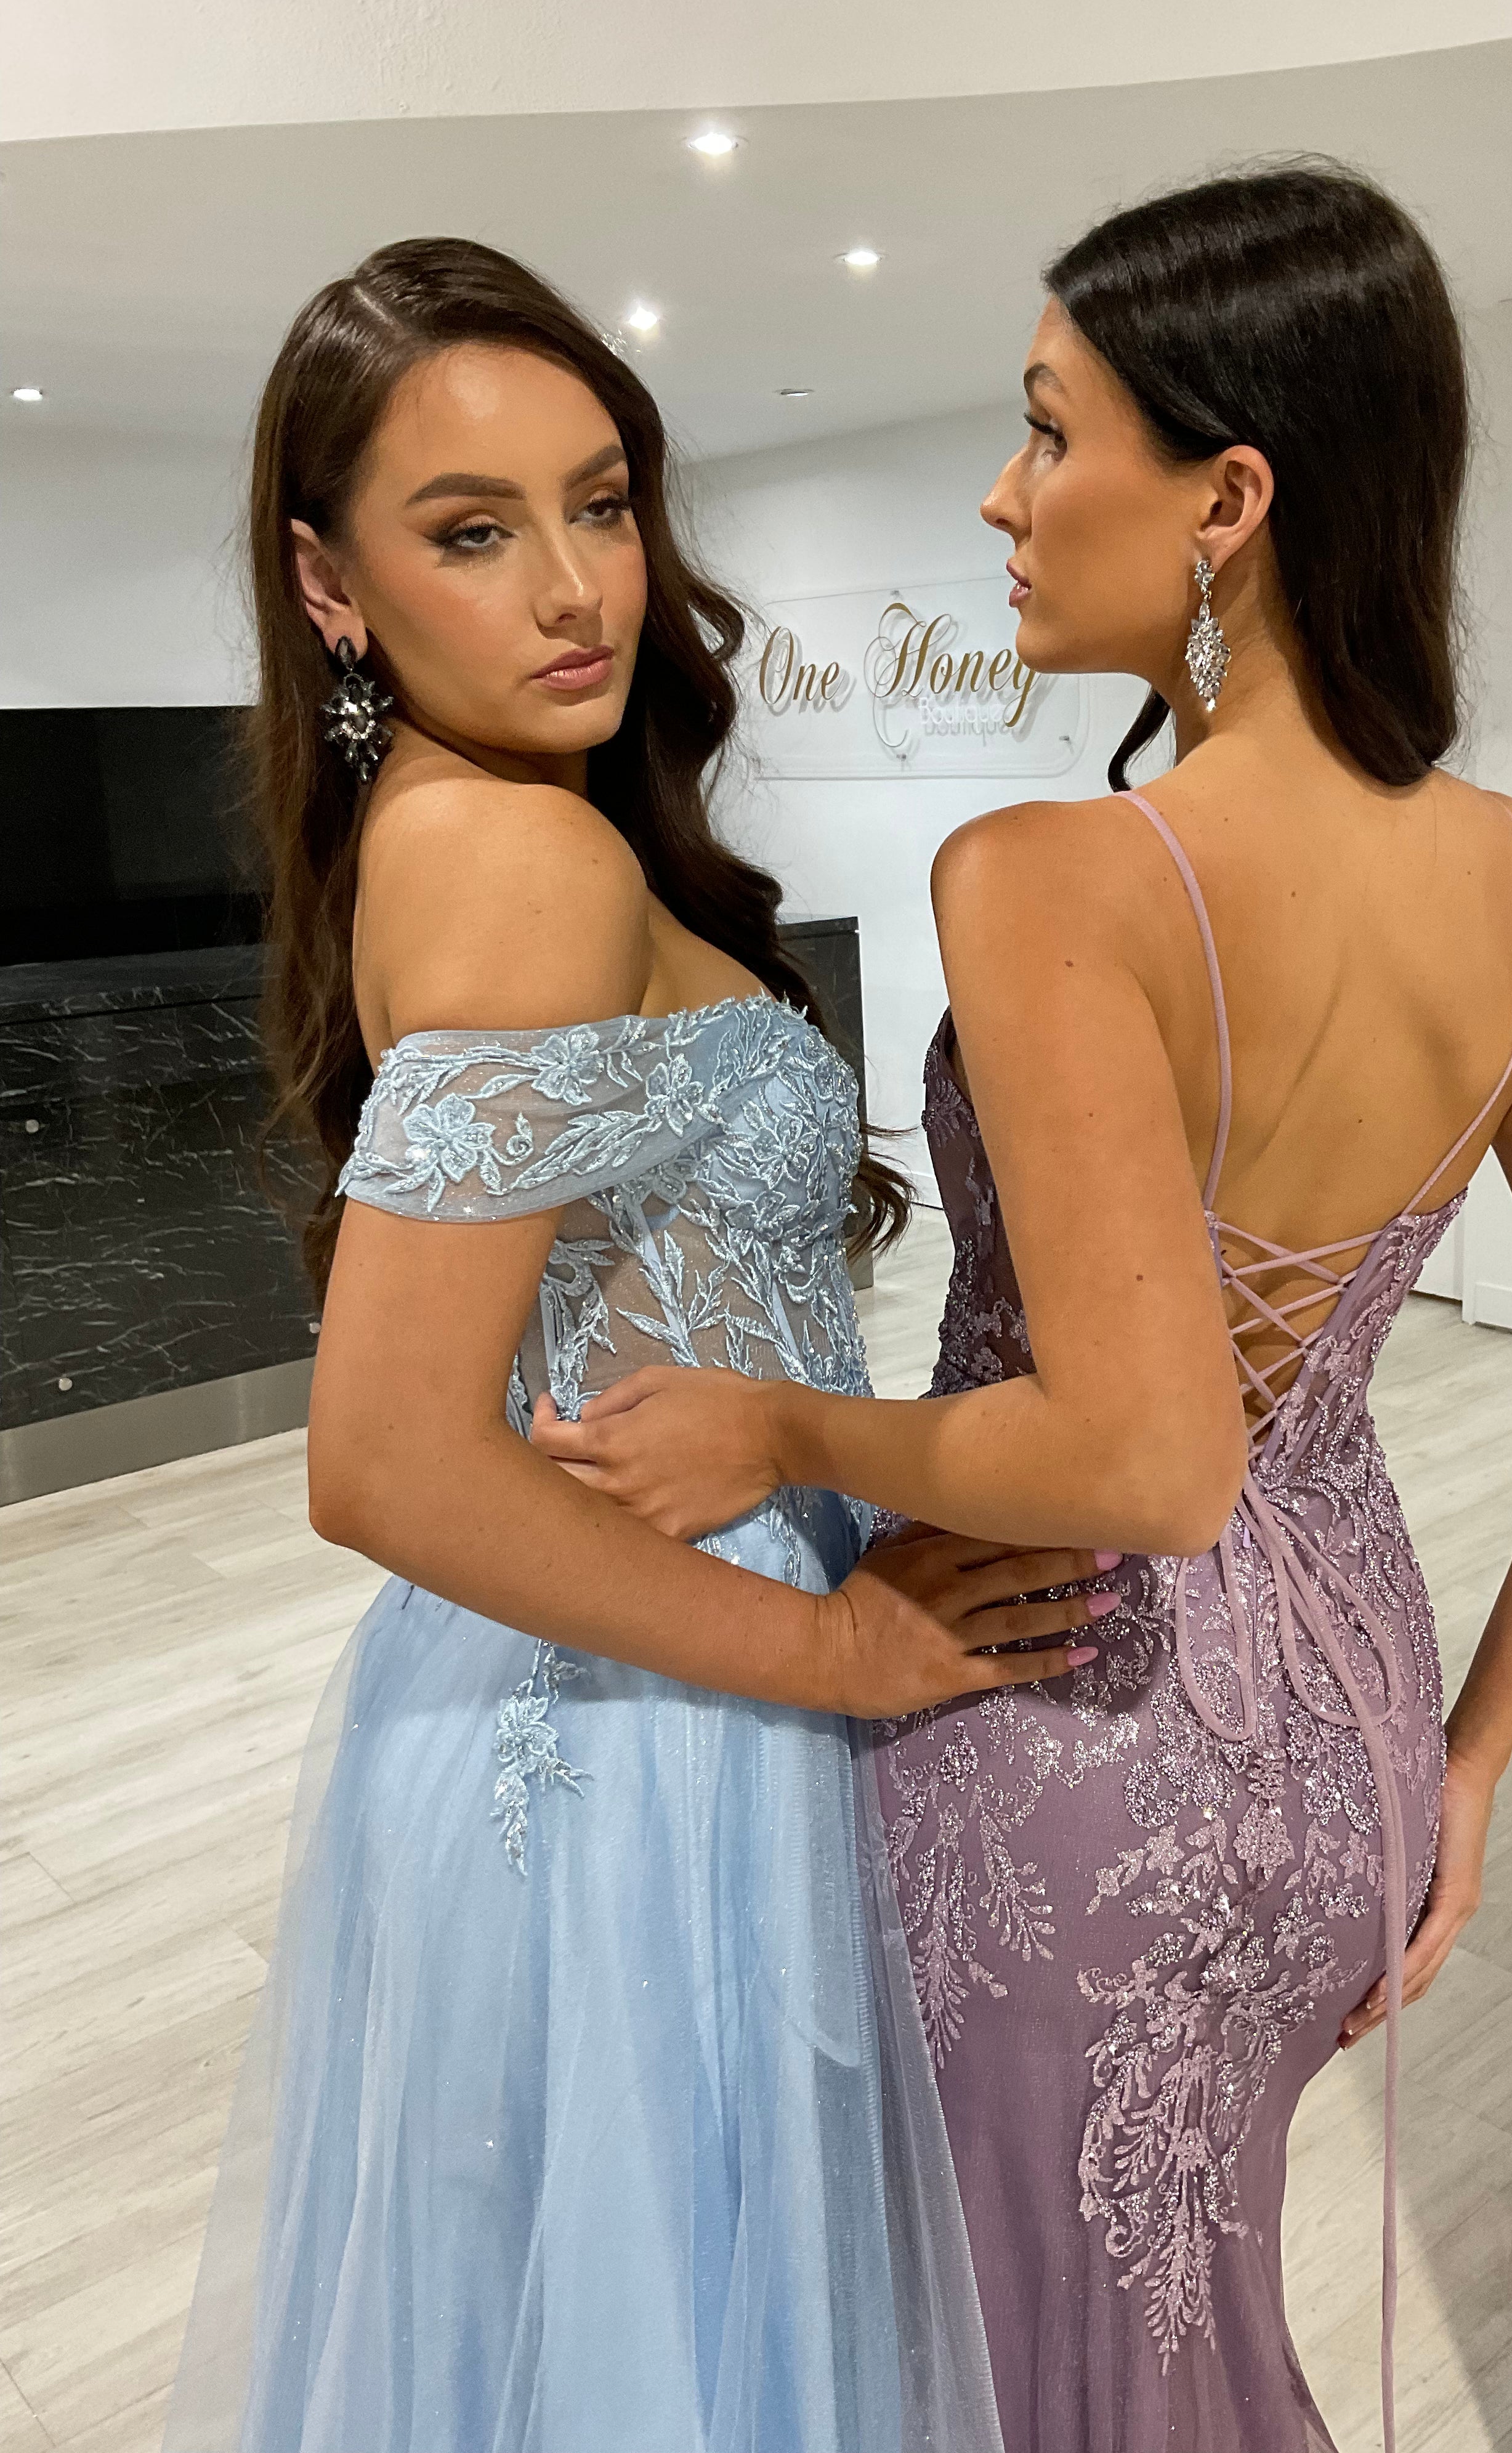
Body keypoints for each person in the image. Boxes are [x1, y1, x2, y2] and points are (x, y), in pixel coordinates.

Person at [535, 166, 1512, 2453]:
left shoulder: (1056, 872)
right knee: (1173, 2326)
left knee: (1048, 2377)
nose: (1001, 498)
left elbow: (1147, 1455)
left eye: (1050, 432)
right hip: (1359, 1738)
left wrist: (790, 1437)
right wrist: (1469, 1758)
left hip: (1064, 1718)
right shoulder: (1510, 877)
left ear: (1231, 499)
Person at [163, 236, 1099, 2453]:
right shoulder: (515, 865)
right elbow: (380, 1459)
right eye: (471, 533)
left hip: (583, 1680)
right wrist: (840, 1659)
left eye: (601, 502)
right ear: (331, 585)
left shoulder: (488, 830)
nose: (576, 584)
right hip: (659, 1713)